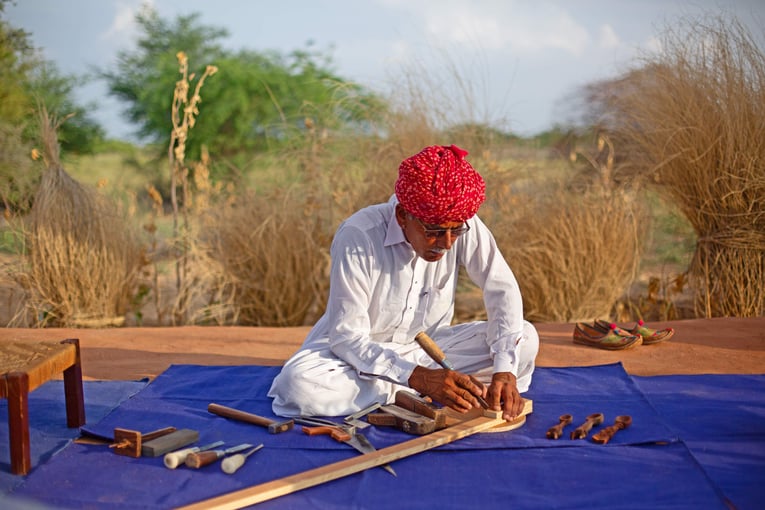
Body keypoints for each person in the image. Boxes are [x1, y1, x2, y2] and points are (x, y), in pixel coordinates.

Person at [268, 144, 539, 422]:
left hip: (427, 352)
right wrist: (418, 378)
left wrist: (504, 371)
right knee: (299, 385)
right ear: (402, 216)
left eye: (455, 231)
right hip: (353, 357)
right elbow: (347, 338)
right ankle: (417, 389)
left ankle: (415, 389)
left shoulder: (459, 219)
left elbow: (501, 288)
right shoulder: (359, 235)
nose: (447, 244)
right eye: (434, 232)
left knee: (525, 339)